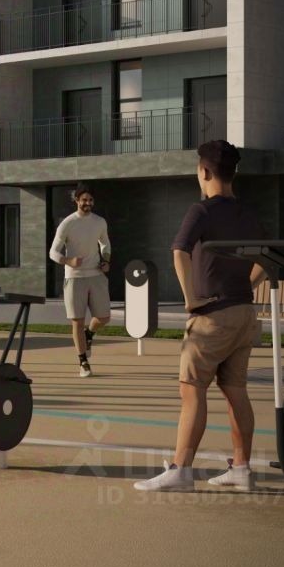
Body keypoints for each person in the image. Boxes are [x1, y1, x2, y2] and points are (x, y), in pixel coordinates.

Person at [135, 140, 267, 493]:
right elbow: (265, 261)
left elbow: (179, 251)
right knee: (236, 390)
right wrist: (246, 286)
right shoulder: (247, 212)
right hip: (244, 313)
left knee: (191, 390)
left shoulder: (201, 210)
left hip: (212, 315)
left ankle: (181, 470)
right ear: (233, 172)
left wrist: (190, 298)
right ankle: (241, 468)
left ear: (204, 171)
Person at [49, 183, 112, 378]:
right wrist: (68, 261)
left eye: (90, 200)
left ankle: (89, 333)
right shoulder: (67, 223)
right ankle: (83, 362)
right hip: (74, 278)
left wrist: (106, 260)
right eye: (84, 200)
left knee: (104, 317)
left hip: (96, 275)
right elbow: (53, 252)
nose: (88, 203)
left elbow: (105, 244)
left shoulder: (100, 222)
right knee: (77, 321)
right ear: (76, 200)